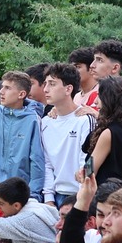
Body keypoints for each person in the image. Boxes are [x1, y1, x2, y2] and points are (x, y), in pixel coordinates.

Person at [35, 64, 94, 205]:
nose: (46, 89)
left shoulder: (85, 119)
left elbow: (88, 160)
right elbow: (46, 162)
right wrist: (49, 198)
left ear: (68, 89)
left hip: (79, 195)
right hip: (55, 196)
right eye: (45, 84)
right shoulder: (46, 122)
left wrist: (82, 196)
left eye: (52, 84)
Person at [0, 71, 46, 189]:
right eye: (2, 87)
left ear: (21, 94)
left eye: (7, 88)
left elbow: (36, 159)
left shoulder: (32, 119)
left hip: (19, 189)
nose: (1, 92)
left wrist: (34, 193)